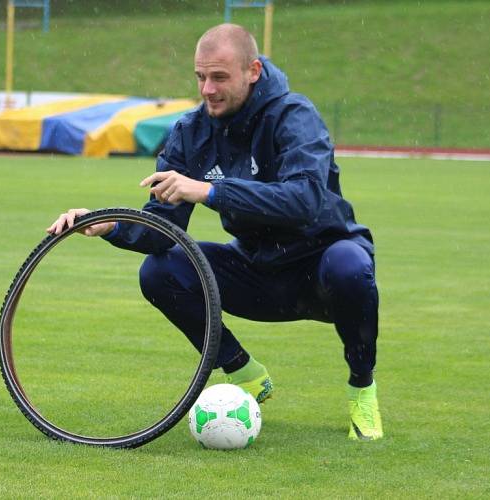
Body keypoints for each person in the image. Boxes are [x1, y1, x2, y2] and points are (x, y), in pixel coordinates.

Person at [48, 23, 383, 441]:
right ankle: (244, 371)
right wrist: (111, 224)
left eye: (219, 77)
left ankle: (362, 389)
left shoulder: (295, 117)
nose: (207, 89)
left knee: (350, 264)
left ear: (253, 71)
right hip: (256, 273)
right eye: (200, 77)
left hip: (323, 273)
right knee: (160, 270)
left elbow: (305, 200)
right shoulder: (189, 133)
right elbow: (161, 233)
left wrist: (210, 190)